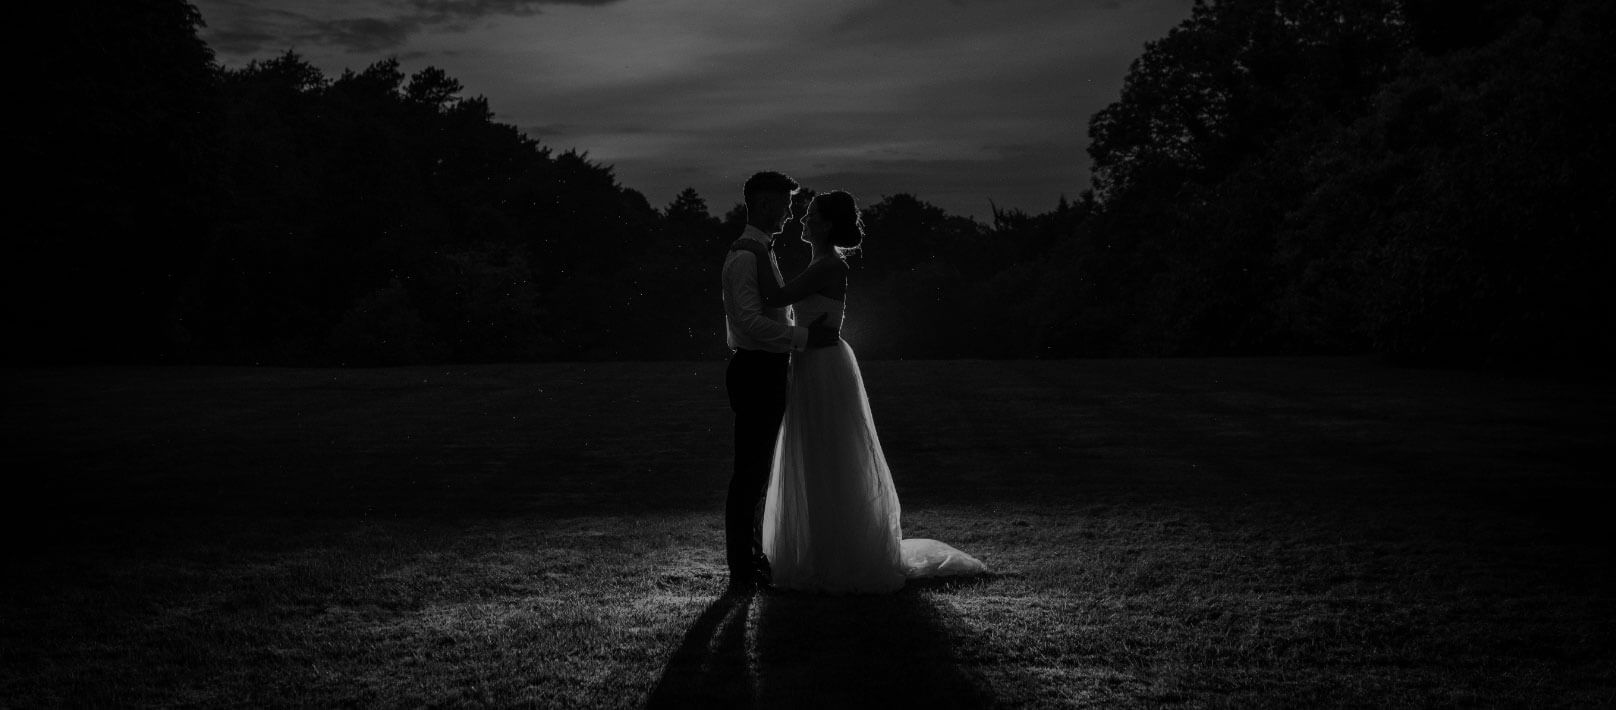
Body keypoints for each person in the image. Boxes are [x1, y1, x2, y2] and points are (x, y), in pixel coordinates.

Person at [733, 189, 987, 594]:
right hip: (811, 359)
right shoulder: (820, 263)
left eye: (811, 214)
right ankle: (820, 548)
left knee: (826, 451)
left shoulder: (827, 265)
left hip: (822, 365)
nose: (802, 219)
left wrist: (756, 249)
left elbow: (775, 297)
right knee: (816, 450)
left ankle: (834, 553)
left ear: (827, 224)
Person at [720, 171, 840, 594]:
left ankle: (753, 561)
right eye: (786, 205)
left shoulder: (757, 250)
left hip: (768, 368)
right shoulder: (744, 256)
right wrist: (803, 338)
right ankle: (742, 569)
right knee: (750, 472)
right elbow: (750, 321)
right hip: (755, 369)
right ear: (766, 204)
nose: (791, 214)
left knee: (759, 470)